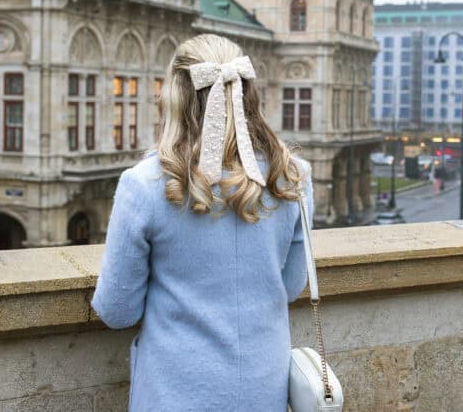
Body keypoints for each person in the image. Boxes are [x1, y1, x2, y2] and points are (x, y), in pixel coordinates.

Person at [91, 34, 314, 411]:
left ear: (174, 95)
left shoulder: (144, 186)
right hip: (264, 391)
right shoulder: (292, 177)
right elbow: (291, 287)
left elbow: (117, 310)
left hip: (175, 394)